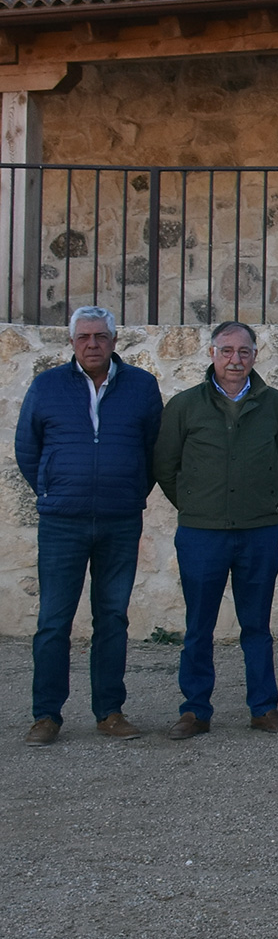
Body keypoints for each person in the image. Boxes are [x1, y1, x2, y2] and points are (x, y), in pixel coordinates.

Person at [16, 307, 163, 746]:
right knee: (54, 620)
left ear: (115, 340)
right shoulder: (47, 386)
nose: (92, 344)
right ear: (72, 342)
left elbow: (154, 450)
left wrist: (132, 491)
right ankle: (46, 715)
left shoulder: (141, 386)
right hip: (62, 522)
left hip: (120, 520)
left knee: (113, 618)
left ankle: (110, 712)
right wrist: (52, 490)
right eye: (84, 337)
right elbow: (28, 448)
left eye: (101, 336)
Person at [155, 321, 278, 738]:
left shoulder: (274, 403)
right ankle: (195, 710)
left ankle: (263, 709)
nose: (236, 360)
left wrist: (256, 499)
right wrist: (198, 504)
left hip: (257, 530)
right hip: (202, 533)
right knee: (199, 624)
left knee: (257, 625)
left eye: (244, 352)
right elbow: (165, 465)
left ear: (255, 355)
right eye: (227, 351)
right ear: (212, 353)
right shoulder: (184, 405)